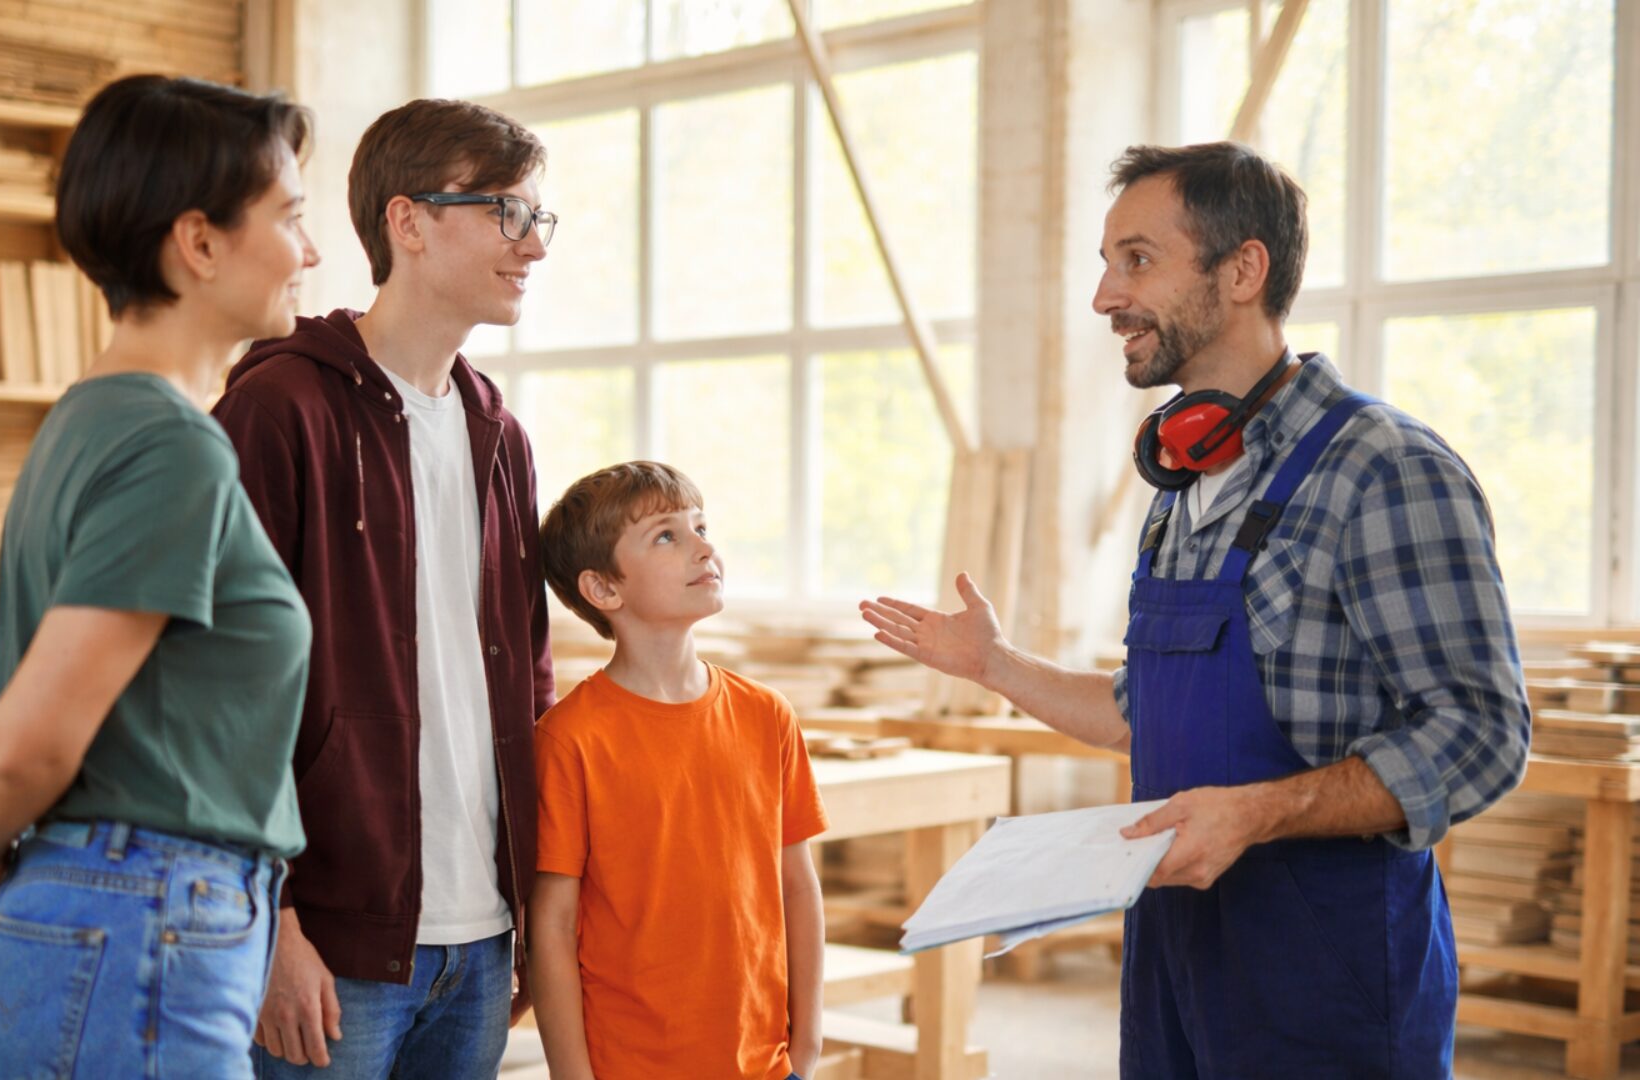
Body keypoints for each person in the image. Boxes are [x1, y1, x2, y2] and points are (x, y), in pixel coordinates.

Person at [861, 141, 1529, 1077]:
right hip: (1176, 961)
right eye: (1106, 264)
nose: (1105, 297)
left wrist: (1261, 813)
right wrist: (995, 666)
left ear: (1243, 270)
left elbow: (1483, 734)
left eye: (1137, 260)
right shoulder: (1188, 484)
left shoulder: (1384, 469)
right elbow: (1148, 713)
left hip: (1326, 975)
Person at [0, 73, 320, 1077]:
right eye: (290, 217)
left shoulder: (86, 421)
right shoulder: (169, 447)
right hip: (139, 939)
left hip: (96, 939)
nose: (311, 252)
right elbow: (26, 741)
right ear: (199, 244)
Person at [211, 98, 556, 1078]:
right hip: (329, 943)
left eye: (540, 217)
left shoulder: (500, 436)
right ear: (407, 221)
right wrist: (271, 922)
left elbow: (527, 683)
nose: (533, 244)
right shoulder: (279, 408)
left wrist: (532, 904)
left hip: (481, 939)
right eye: (506, 212)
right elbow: (219, 689)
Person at [529, 461, 827, 1080]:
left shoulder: (767, 715)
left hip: (765, 1063)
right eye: (667, 535)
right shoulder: (569, 739)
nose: (704, 547)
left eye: (701, 527)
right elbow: (552, 925)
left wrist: (808, 1040)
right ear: (603, 589)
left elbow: (797, 885)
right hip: (629, 1065)